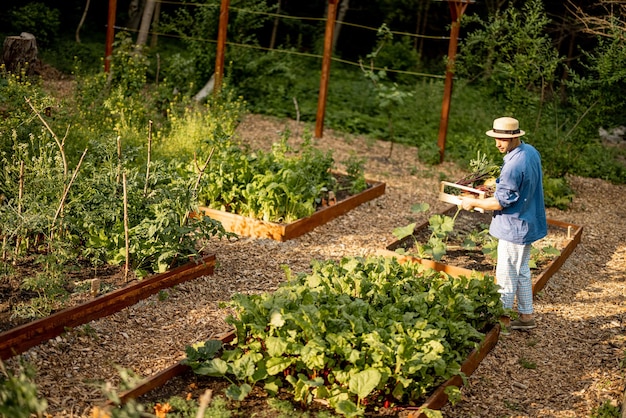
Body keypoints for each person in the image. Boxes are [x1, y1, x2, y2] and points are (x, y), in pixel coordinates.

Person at [460, 116, 547, 331]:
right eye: (495, 138)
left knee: (506, 275)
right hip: (527, 222)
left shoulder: (513, 165)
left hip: (514, 227)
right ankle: (526, 317)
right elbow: (518, 188)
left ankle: (500, 323)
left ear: (514, 137)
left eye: (502, 140)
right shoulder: (530, 152)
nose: (498, 143)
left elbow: (501, 202)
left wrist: (471, 202)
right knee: (522, 270)